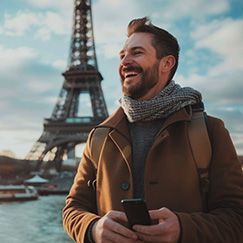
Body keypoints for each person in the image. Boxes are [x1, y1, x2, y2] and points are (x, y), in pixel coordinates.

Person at [63, 17, 243, 243]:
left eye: (137, 53)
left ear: (166, 64)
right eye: (122, 55)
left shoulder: (210, 131)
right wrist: (93, 228)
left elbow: (237, 217)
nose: (125, 61)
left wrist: (183, 229)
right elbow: (73, 208)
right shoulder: (99, 136)